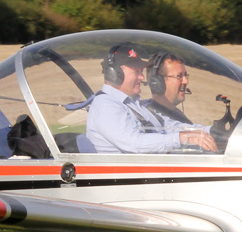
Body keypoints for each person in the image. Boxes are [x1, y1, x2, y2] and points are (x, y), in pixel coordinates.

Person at [85, 45, 218, 154]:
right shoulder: (106, 105)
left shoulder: (135, 105)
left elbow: (169, 126)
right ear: (114, 74)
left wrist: (212, 131)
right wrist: (181, 138)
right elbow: (134, 143)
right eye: (137, 72)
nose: (142, 78)